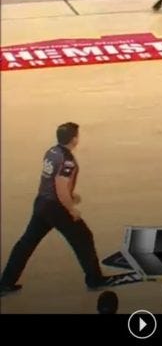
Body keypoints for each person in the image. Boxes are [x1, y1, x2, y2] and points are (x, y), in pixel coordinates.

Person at [0, 123, 120, 295]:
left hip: (42, 203)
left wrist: (70, 195)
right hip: (56, 208)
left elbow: (50, 181)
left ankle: (5, 282)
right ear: (74, 139)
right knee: (83, 237)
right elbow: (61, 186)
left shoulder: (51, 152)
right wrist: (71, 208)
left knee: (26, 243)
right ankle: (94, 279)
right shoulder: (68, 161)